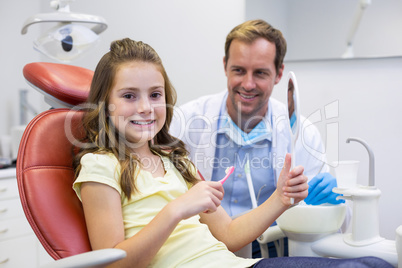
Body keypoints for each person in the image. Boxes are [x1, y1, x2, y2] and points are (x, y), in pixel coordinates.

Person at [71, 38, 391, 268]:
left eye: (155, 94)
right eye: (129, 95)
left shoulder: (175, 160)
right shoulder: (100, 165)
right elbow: (111, 264)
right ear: (104, 103)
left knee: (374, 263)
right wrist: (177, 209)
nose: (145, 108)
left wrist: (281, 197)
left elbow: (229, 235)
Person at [169, 20, 344, 256]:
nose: (248, 84)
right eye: (239, 70)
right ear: (225, 66)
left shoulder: (302, 133)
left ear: (279, 73)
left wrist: (332, 202)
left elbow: (326, 224)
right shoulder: (186, 122)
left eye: (260, 73)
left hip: (275, 252)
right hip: (202, 252)